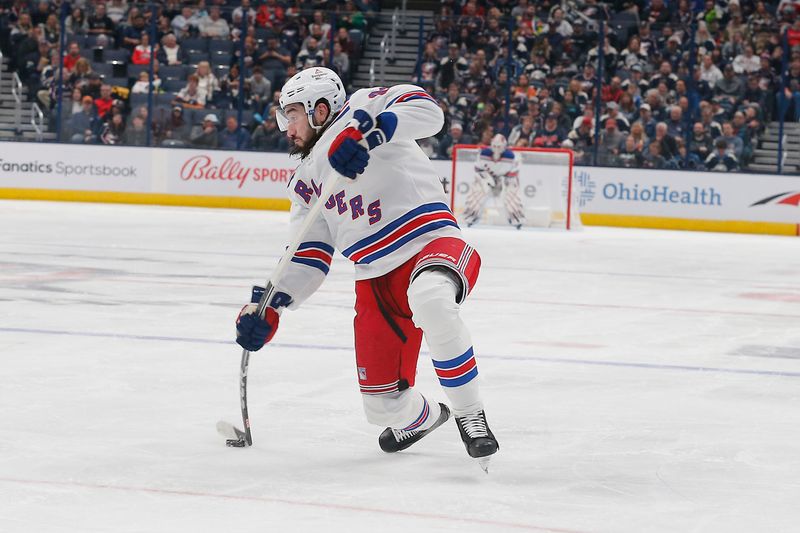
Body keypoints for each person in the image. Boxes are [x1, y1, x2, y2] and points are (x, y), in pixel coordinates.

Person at [234, 68, 499, 469]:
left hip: (429, 243)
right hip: (373, 279)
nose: (285, 127)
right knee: (383, 407)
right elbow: (307, 253)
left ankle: (470, 413)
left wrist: (373, 131)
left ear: (319, 108)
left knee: (431, 300)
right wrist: (270, 306)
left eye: (292, 115)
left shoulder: (364, 105)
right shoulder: (306, 180)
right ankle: (427, 417)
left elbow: (429, 112)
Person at [462, 134, 526, 229]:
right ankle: (470, 217)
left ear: (504, 146)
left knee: (512, 195)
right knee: (478, 192)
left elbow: (513, 175)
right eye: (494, 145)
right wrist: (488, 179)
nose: (496, 148)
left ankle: (517, 219)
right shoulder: (483, 154)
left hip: (505, 181)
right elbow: (478, 170)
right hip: (487, 180)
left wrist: (502, 182)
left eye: (499, 146)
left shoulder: (512, 157)